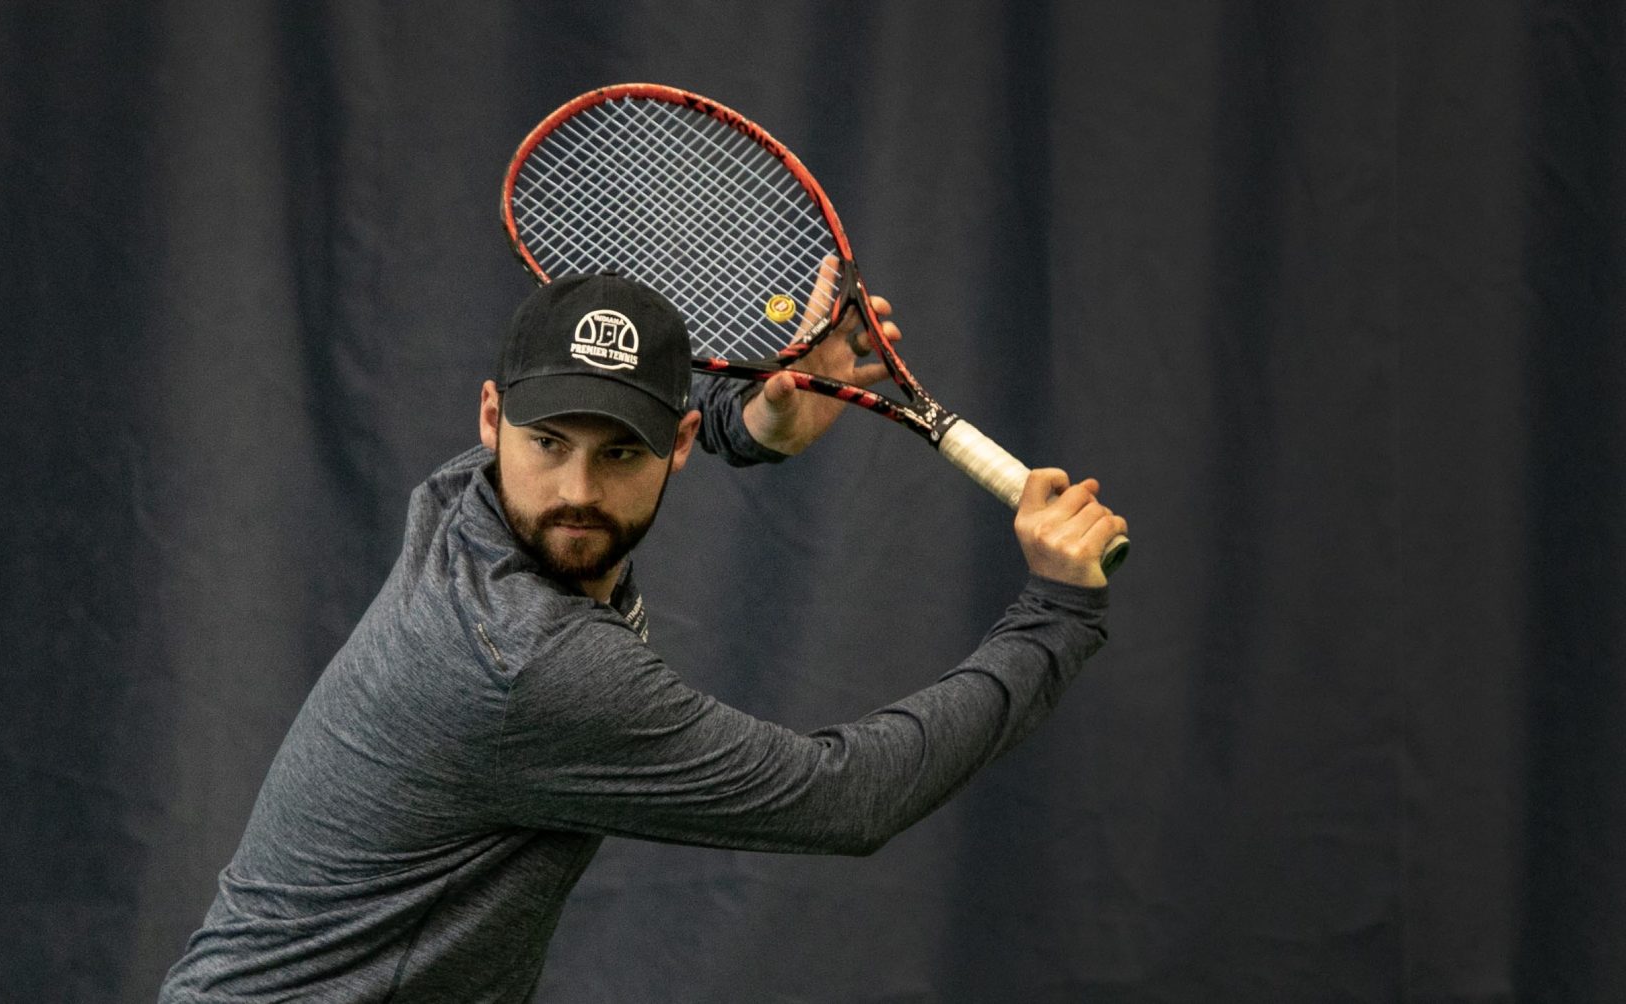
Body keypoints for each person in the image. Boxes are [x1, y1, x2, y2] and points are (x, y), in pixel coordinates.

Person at [159, 271, 1125, 1002]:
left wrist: (758, 422)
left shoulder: (469, 499)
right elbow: (845, 798)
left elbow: (656, 437)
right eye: (550, 445)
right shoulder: (527, 665)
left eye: (620, 450)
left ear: (675, 446)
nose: (578, 492)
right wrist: (1055, 612)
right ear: (493, 421)